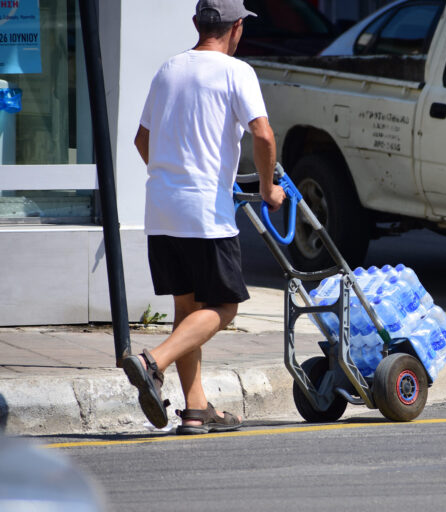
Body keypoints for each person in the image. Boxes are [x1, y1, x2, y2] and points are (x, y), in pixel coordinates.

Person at [125, 0, 285, 435]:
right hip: (204, 214)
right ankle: (152, 361)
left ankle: (197, 409)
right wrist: (269, 188)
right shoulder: (237, 72)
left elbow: (143, 139)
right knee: (225, 306)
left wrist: (172, 177)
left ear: (197, 24)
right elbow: (263, 133)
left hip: (161, 208)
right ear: (236, 29)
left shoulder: (168, 69)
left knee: (186, 308)